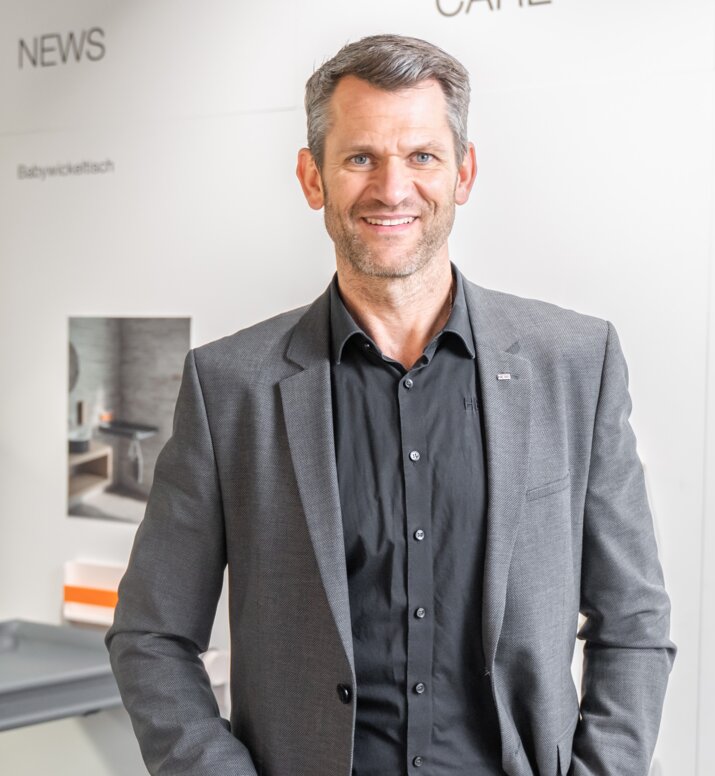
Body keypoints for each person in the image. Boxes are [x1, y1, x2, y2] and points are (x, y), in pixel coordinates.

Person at [107, 34, 676, 776]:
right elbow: (151, 635)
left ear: (463, 173)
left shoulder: (575, 362)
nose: (392, 188)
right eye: (360, 158)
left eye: (422, 156)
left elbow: (633, 620)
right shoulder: (229, 387)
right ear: (312, 178)